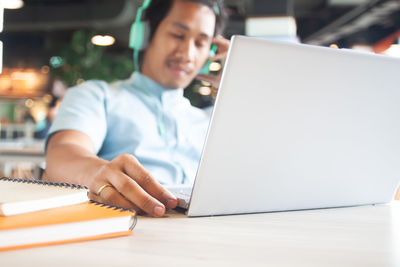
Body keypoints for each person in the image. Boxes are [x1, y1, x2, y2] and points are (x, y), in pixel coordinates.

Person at [45, 0, 229, 217]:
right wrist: (97, 173)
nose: (187, 54)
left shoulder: (212, 120)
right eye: (178, 35)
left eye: (200, 43)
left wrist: (236, 81)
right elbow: (62, 154)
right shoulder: (97, 96)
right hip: (135, 229)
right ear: (146, 34)